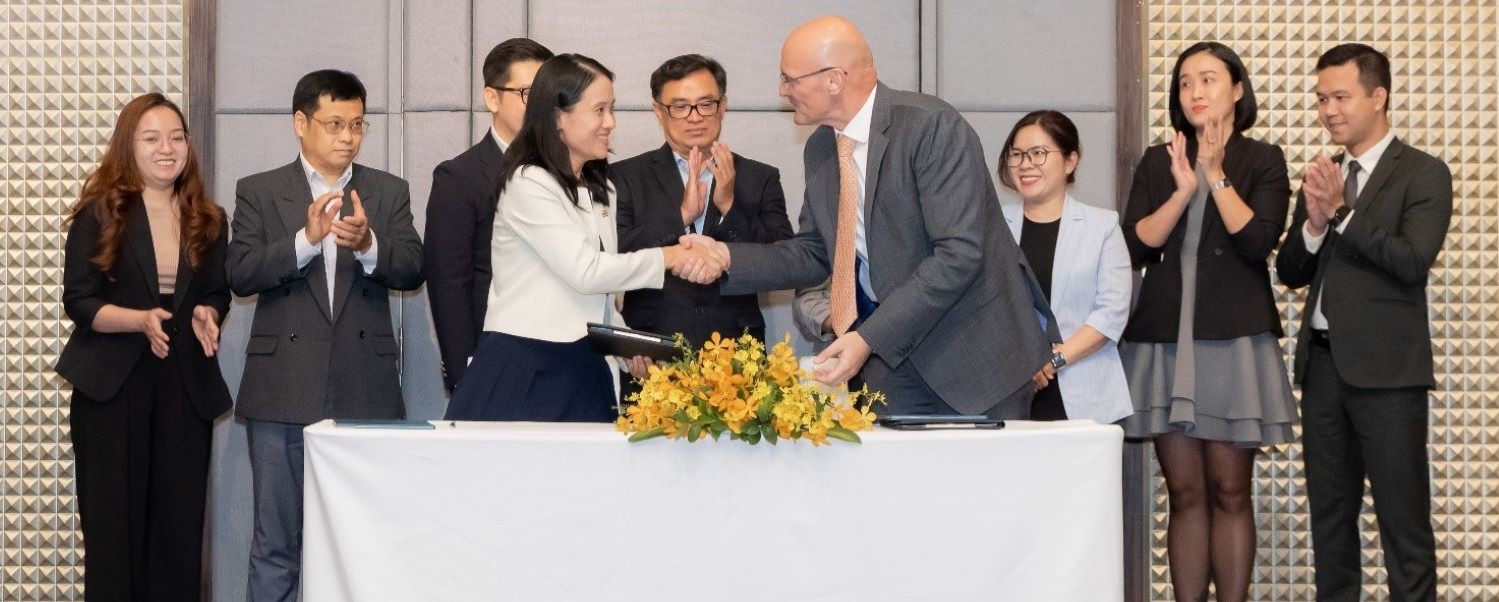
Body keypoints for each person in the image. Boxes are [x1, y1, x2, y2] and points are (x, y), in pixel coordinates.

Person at [683, 15, 1055, 418]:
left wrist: (867, 338)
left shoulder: (930, 127)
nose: (782, 90)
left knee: (981, 482)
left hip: (974, 360)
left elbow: (958, 255)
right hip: (892, 363)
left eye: (791, 79)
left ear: (834, 79)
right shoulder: (822, 148)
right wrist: (726, 257)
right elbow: (815, 252)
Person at [227, 69, 425, 601]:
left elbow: (411, 268)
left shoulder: (387, 191)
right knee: (276, 544)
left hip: (365, 388)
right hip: (282, 388)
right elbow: (240, 273)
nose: (348, 136)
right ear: (300, 123)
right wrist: (305, 241)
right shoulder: (261, 191)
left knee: (361, 541)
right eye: (335, 123)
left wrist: (368, 247)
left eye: (357, 125)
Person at [443, 54, 724, 422]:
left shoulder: (600, 186)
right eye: (599, 110)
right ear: (558, 117)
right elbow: (586, 271)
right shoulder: (529, 181)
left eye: (612, 109)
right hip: (527, 366)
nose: (610, 123)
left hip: (582, 365)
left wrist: (624, 345)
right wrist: (670, 256)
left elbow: (597, 294)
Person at [1117, 42, 1295, 602]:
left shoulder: (1262, 159)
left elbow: (1257, 241)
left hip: (1234, 341)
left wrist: (1216, 177)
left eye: (1209, 79)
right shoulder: (1157, 159)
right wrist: (1184, 190)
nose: (1195, 92)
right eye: (1186, 82)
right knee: (1185, 493)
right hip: (1165, 341)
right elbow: (1135, 245)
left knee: (1230, 492)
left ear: (1237, 90)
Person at [1276, 43, 1450, 602]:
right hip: (1324, 370)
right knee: (1330, 522)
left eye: (1341, 97)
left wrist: (1343, 216)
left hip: (1389, 378)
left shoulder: (1423, 173)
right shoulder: (1327, 175)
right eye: (1322, 98)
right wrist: (1314, 224)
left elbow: (1410, 261)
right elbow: (1290, 270)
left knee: (1404, 527)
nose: (1329, 110)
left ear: (1379, 97)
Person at [56, 92, 231, 601]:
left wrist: (208, 312)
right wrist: (137, 320)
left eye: (176, 137)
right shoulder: (100, 212)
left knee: (177, 533)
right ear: (127, 146)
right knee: (114, 533)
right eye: (151, 138)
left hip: (183, 385)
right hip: (113, 386)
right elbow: (79, 301)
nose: (167, 149)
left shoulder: (209, 217)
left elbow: (216, 291)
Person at [613, 53, 793, 349]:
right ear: (658, 111)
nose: (694, 116)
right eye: (680, 107)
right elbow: (613, 253)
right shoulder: (625, 176)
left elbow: (782, 263)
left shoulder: (759, 177)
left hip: (737, 352)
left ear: (723, 107)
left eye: (706, 104)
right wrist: (681, 216)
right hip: (649, 349)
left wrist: (730, 207)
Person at [425, 38, 553, 392]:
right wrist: (467, 375)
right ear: (492, 98)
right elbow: (449, 284)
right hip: (495, 366)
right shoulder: (460, 177)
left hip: (563, 368)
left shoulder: (573, 172)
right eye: (529, 93)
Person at [997, 110, 1133, 423]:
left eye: (1039, 153)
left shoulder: (1103, 226)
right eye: (1017, 154)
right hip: (1010, 392)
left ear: (1071, 161)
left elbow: (1111, 313)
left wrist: (1053, 360)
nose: (1026, 163)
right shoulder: (993, 226)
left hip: (1086, 393)